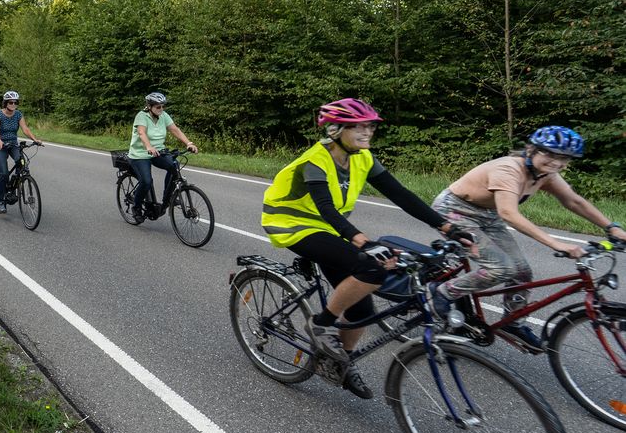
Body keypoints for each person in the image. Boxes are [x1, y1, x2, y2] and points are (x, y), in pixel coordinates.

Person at [261, 98, 471, 399]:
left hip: (330, 229)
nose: (367, 132)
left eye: (370, 126)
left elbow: (401, 195)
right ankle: (320, 326)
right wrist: (361, 240)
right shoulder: (315, 160)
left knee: (362, 305)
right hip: (291, 225)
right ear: (335, 129)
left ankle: (339, 363)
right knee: (371, 267)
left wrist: (446, 226)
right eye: (358, 127)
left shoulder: (364, 158)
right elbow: (326, 207)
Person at [431, 125, 626, 350]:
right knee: (501, 269)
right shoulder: (509, 169)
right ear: (531, 150)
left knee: (522, 272)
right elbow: (509, 214)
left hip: (487, 215)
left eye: (565, 158)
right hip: (454, 211)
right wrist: (556, 243)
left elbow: (573, 201)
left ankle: (512, 322)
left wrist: (611, 228)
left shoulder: (546, 175)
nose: (556, 162)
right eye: (549, 154)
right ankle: (442, 293)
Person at [127, 92, 197, 224]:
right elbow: (141, 132)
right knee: (146, 181)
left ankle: (168, 199)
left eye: (162, 106)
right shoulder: (141, 116)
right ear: (149, 106)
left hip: (158, 152)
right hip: (140, 154)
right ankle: (136, 208)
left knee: (174, 165)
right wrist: (148, 146)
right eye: (158, 107)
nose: (161, 109)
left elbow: (174, 129)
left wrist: (188, 143)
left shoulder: (163, 116)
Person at [0, 90, 42, 213]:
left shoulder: (18, 114)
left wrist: (35, 139)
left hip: (14, 144)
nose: (13, 104)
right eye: (11, 102)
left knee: (22, 164)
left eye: (15, 102)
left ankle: (14, 184)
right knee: (3, 173)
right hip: (1, 145)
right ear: (5, 103)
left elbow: (25, 129)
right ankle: (0, 201)